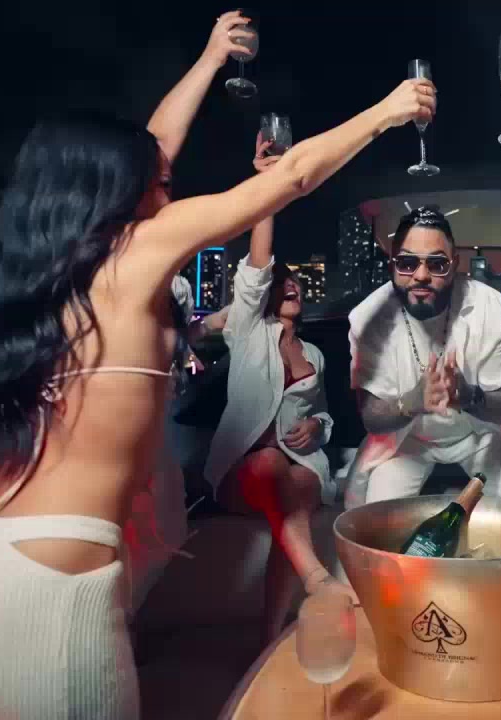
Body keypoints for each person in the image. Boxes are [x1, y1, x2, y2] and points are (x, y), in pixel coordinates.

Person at [0, 10, 436, 717]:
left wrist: (209, 58)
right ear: (116, 190)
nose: (168, 183)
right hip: (35, 607)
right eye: (157, 182)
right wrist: (386, 111)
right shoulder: (133, 256)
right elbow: (289, 176)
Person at [201, 134, 350, 641]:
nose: (291, 285)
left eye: (297, 283)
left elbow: (325, 414)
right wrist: (269, 186)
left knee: (300, 494)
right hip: (242, 470)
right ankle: (318, 579)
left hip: (298, 465)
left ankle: (268, 638)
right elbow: (257, 267)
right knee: (268, 466)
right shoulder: (248, 330)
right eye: (282, 282)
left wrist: (317, 427)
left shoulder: (316, 355)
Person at [344, 207, 501, 508]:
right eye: (407, 263)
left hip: (478, 434)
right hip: (405, 441)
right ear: (392, 264)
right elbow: (371, 417)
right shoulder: (368, 318)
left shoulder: (489, 306)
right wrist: (412, 402)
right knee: (376, 522)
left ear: (455, 264)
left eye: (436, 264)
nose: (421, 275)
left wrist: (469, 396)